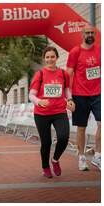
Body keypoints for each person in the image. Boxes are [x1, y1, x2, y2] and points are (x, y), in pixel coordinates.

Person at [29, 46, 75, 178]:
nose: (50, 59)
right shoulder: (40, 74)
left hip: (59, 111)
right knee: (46, 142)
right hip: (42, 114)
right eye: (47, 57)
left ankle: (55, 160)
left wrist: (70, 99)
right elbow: (31, 95)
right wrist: (39, 101)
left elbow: (66, 89)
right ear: (44, 59)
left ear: (56, 58)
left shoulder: (63, 73)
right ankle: (45, 167)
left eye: (52, 57)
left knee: (63, 137)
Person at [66, 24, 101, 171]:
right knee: (82, 128)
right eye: (87, 33)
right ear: (82, 35)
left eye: (92, 32)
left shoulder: (100, 50)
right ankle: (81, 157)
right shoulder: (76, 51)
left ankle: (98, 156)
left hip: (98, 93)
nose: (90, 35)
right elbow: (68, 74)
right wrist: (69, 97)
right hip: (80, 94)